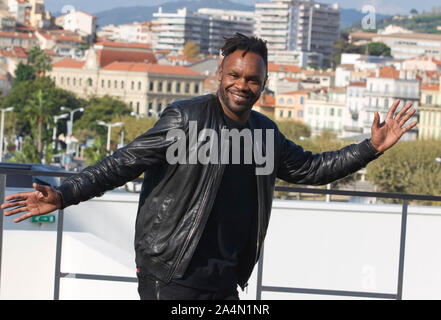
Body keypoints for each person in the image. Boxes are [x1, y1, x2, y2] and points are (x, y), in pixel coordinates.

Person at [1, 33, 417, 300]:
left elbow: (312, 169)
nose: (242, 85)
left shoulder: (264, 135)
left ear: (264, 83)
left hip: (226, 276)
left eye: (252, 80)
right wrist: (63, 193)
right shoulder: (185, 118)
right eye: (234, 75)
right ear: (220, 72)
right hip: (171, 269)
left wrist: (370, 148)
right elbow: (124, 162)